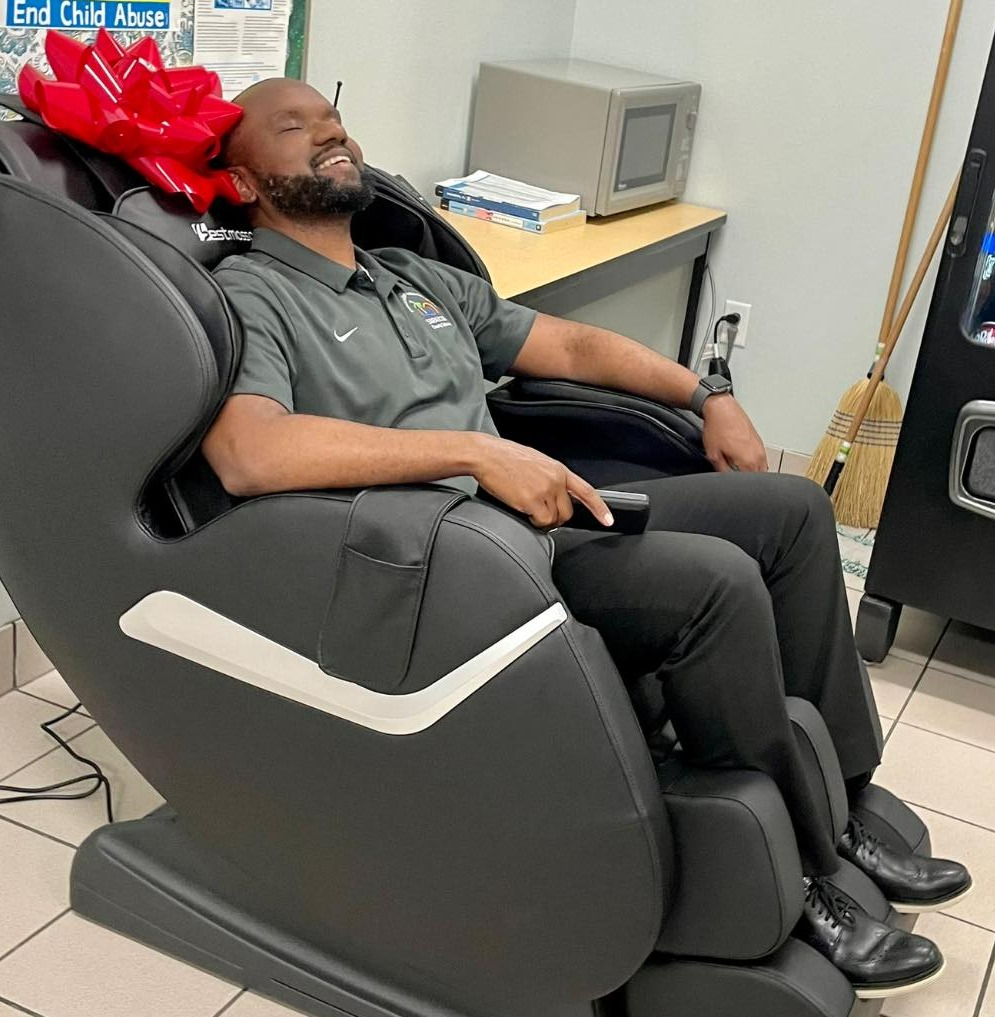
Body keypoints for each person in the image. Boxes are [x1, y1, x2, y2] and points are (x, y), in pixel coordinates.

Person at [202, 77, 970, 998]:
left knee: (790, 509)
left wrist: (705, 395)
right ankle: (795, 876)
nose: (330, 135)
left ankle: (840, 804)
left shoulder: (412, 278)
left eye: (333, 120)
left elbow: (567, 346)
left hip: (532, 515)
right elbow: (248, 451)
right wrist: (470, 454)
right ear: (244, 182)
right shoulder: (252, 290)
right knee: (717, 581)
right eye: (294, 127)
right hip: (454, 555)